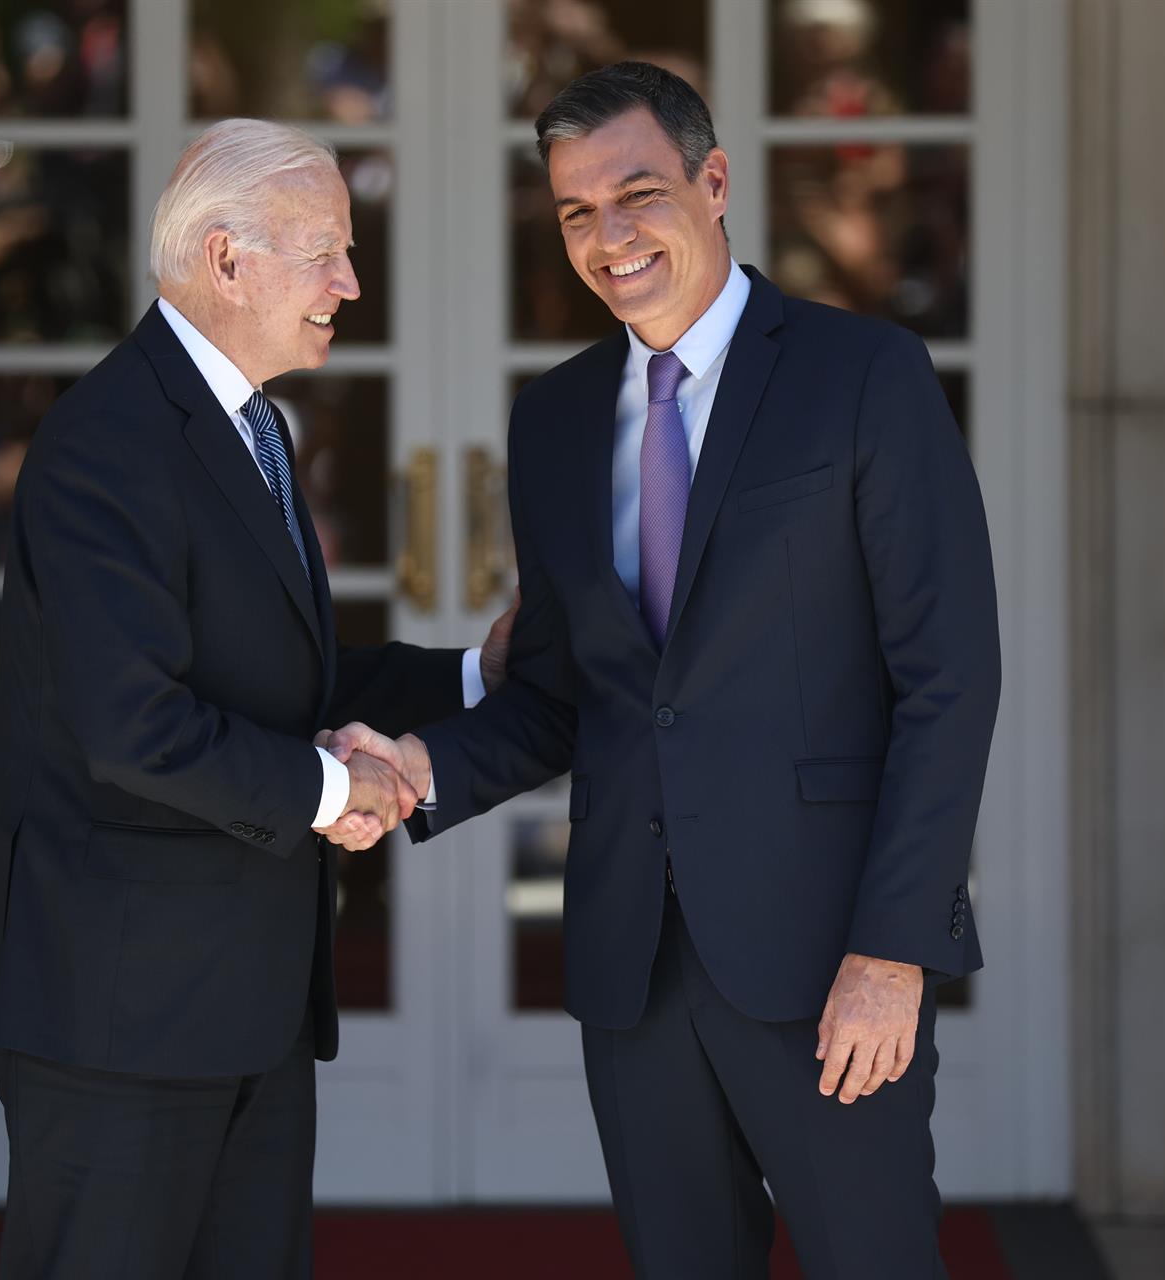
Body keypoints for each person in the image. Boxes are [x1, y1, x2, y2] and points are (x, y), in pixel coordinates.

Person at [327, 62, 999, 1278]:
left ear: (717, 181)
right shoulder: (554, 421)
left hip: (827, 959)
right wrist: (420, 767)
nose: (609, 237)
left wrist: (895, 949)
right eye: (578, 211)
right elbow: (564, 694)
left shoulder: (863, 377)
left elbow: (949, 680)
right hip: (634, 966)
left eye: (636, 194)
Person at [0, 119, 513, 1279]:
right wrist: (331, 787)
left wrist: (473, 677)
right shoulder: (108, 440)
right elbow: (134, 726)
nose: (351, 284)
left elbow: (279, 675)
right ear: (226, 260)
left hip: (239, 1005)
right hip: (122, 1019)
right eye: (326, 253)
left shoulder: (248, 420)